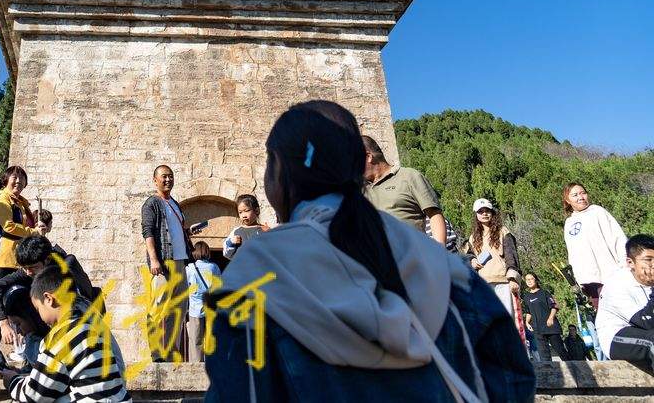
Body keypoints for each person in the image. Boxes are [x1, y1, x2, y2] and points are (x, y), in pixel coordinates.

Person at [204, 100, 535, 402]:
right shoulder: (440, 265)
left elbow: (239, 390)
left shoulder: (256, 273)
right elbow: (512, 377)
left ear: (279, 172)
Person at [0, 266, 132, 402]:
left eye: (38, 308)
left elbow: (35, 395)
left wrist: (12, 381)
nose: (40, 316)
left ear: (49, 299)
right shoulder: (88, 326)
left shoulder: (60, 338)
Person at [0, 235, 97, 356]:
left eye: (32, 267)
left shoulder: (67, 269)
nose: (28, 272)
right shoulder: (29, 270)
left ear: (47, 260)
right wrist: (4, 324)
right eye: (24, 268)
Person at [0, 166, 49, 358]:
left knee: (21, 303)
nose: (18, 181)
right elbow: (8, 227)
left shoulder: (20, 204)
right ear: (5, 180)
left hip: (19, 261)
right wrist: (33, 232)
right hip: (3, 258)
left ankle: (22, 349)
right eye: (14, 178)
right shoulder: (2, 199)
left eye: (21, 179)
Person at [140, 164, 194, 360]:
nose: (168, 180)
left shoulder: (175, 204)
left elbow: (174, 231)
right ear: (155, 180)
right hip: (163, 262)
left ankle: (170, 351)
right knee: (159, 306)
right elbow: (148, 232)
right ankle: (156, 353)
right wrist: (154, 260)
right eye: (164, 176)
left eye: (170, 176)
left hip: (180, 261)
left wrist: (188, 233)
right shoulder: (151, 204)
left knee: (178, 308)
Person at [361, 136, 447, 246]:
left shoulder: (409, 176)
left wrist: (439, 252)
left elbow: (434, 214)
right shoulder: (361, 192)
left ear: (368, 157)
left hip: (414, 257)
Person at [563, 182, 628, 310]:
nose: (580, 197)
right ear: (567, 200)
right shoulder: (569, 223)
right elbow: (573, 253)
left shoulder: (598, 212)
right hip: (589, 280)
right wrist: (579, 279)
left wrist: (625, 265)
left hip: (611, 275)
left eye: (583, 193)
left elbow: (618, 238)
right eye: (575, 195)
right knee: (606, 320)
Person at [595, 234, 654, 370]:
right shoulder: (616, 284)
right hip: (616, 336)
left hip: (644, 330)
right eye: (648, 260)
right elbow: (646, 321)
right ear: (630, 262)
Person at [461, 199, 521, 320]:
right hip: (483, 284)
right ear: (476, 215)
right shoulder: (473, 237)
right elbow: (467, 255)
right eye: (480, 211)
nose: (484, 214)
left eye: (487, 211)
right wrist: (472, 260)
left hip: (503, 282)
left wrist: (512, 278)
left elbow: (511, 255)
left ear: (492, 212)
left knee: (507, 318)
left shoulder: (503, 231)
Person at [185, 241, 221, 362]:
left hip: (195, 309)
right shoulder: (214, 267)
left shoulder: (189, 269)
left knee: (196, 341)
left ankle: (195, 366)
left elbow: (184, 287)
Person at [0, 285, 50, 369]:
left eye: (18, 324)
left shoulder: (48, 345)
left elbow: (43, 379)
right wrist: (16, 373)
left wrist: (15, 378)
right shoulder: (30, 340)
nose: (18, 331)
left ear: (31, 316)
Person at [522, 273, 568, 361]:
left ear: (536, 280)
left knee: (560, 351)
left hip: (551, 327)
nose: (529, 281)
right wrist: (527, 322)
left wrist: (551, 318)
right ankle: (549, 373)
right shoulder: (526, 297)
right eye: (527, 279)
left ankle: (573, 370)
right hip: (538, 329)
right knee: (544, 356)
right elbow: (528, 311)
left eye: (531, 279)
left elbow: (554, 306)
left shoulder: (544, 293)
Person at [223, 194, 269, 260]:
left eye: (247, 211)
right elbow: (226, 254)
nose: (243, 215)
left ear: (257, 211)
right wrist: (231, 243)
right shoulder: (236, 231)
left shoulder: (265, 230)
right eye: (240, 212)